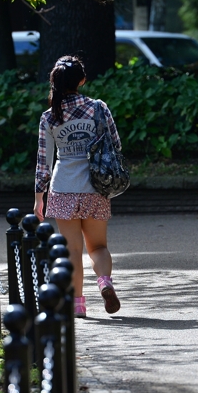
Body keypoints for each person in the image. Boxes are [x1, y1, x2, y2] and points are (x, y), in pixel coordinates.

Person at [34, 55, 122, 318]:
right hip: (95, 187)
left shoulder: (50, 116)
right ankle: (104, 281)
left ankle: (77, 304)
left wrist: (40, 197)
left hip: (63, 189)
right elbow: (116, 144)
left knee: (71, 250)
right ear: (82, 80)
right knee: (98, 247)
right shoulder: (98, 108)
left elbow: (43, 162)